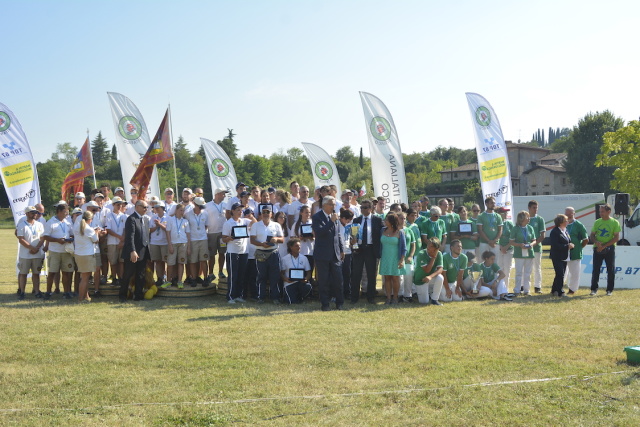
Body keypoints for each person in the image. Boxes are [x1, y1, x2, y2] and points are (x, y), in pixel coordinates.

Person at [311, 196, 344, 311]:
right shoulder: (317, 217)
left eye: (334, 205)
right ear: (324, 205)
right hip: (322, 254)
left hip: (335, 254)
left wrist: (341, 249)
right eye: (331, 204)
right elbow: (319, 232)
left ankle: (339, 303)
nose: (333, 207)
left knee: (338, 280)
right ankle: (325, 304)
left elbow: (338, 234)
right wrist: (331, 221)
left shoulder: (334, 217)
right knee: (323, 281)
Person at [350, 199, 383, 304]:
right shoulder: (356, 220)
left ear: (370, 208)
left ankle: (371, 297)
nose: (362, 210)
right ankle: (354, 297)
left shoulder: (377, 220)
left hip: (371, 249)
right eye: (361, 208)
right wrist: (354, 247)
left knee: (371, 275)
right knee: (356, 274)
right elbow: (353, 236)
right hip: (358, 250)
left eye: (365, 207)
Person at [222, 202, 255, 303]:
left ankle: (240, 295)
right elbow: (223, 239)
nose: (240, 212)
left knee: (242, 275)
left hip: (244, 252)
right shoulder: (228, 223)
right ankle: (231, 296)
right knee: (233, 275)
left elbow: (255, 222)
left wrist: (250, 214)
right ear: (232, 211)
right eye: (238, 210)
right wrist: (229, 238)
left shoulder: (244, 221)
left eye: (241, 210)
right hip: (233, 252)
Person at [119, 200, 151, 302]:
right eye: (144, 207)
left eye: (147, 207)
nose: (146, 209)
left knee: (141, 274)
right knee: (128, 274)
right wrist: (132, 251)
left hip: (143, 251)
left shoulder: (145, 219)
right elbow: (130, 237)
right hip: (132, 253)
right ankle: (122, 295)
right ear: (137, 207)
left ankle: (138, 295)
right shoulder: (131, 219)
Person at [250, 206, 284, 303]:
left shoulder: (276, 225)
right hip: (261, 252)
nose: (265, 214)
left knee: (275, 276)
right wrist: (261, 244)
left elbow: (282, 239)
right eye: (264, 212)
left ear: (271, 214)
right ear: (260, 214)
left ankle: (275, 297)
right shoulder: (256, 225)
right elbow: (252, 240)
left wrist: (276, 239)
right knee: (261, 276)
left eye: (268, 212)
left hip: (273, 253)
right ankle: (261, 297)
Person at [43, 203, 74, 299]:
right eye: (65, 212)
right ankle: (48, 292)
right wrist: (57, 240)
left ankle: (66, 292)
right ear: (59, 212)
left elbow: (72, 234)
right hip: (55, 251)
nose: (67, 213)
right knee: (52, 272)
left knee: (66, 272)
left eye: (67, 211)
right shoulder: (51, 222)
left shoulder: (68, 222)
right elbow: (45, 236)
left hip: (66, 251)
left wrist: (70, 239)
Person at [589, 203, 621, 296]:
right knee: (596, 269)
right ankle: (594, 289)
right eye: (600, 211)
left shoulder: (615, 222)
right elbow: (592, 235)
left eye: (602, 211)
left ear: (609, 212)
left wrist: (605, 246)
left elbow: (616, 238)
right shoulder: (597, 222)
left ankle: (609, 290)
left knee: (610, 269)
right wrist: (596, 242)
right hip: (597, 248)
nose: (600, 213)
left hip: (609, 249)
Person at [16, 206, 46, 300]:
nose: (35, 214)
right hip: (25, 254)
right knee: (23, 273)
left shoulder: (39, 224)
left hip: (37, 253)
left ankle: (37, 291)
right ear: (27, 214)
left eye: (35, 212)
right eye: (32, 212)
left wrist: (37, 248)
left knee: (36, 273)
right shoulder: (22, 225)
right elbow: (21, 239)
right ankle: (22, 292)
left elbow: (42, 238)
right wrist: (31, 248)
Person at [379, 212, 406, 304]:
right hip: (385, 258)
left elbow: (404, 248)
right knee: (387, 278)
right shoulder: (382, 230)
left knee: (395, 278)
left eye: (386, 220)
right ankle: (388, 297)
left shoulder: (400, 232)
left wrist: (402, 260)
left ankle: (395, 297)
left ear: (391, 221)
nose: (385, 221)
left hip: (396, 259)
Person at [74, 211, 100, 302]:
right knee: (85, 278)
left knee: (83, 276)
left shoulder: (77, 227)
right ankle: (80, 298)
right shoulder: (88, 229)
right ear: (90, 219)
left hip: (78, 254)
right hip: (87, 254)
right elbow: (96, 240)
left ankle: (86, 296)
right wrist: (96, 232)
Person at [509, 210, 537, 296]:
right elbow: (511, 242)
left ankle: (526, 290)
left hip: (529, 253)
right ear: (521, 218)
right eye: (527, 217)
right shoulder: (515, 228)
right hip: (519, 253)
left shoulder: (530, 228)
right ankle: (517, 290)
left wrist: (531, 244)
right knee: (518, 272)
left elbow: (534, 240)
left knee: (528, 272)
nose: (529, 219)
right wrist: (519, 245)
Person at [164, 203, 191, 288]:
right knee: (170, 263)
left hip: (183, 244)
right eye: (180, 210)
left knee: (181, 262)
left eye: (183, 211)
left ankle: (180, 281)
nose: (182, 212)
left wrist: (189, 247)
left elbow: (188, 235)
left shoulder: (185, 221)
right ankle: (168, 281)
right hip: (173, 244)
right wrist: (170, 245)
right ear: (176, 210)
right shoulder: (171, 220)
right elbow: (167, 233)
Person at [205, 188, 229, 282]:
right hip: (211, 233)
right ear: (217, 194)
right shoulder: (207, 205)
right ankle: (211, 273)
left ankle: (220, 272)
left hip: (223, 234)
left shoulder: (226, 205)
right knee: (211, 254)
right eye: (223, 194)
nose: (225, 196)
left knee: (222, 253)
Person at [185, 197, 209, 286]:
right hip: (193, 240)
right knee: (193, 260)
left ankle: (205, 278)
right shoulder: (188, 214)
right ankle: (194, 278)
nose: (202, 208)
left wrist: (201, 233)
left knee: (204, 259)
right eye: (200, 206)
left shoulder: (205, 213)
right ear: (195, 204)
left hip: (203, 239)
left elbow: (206, 226)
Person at [564, 207, 589, 295]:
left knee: (574, 273)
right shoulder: (563, 224)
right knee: (562, 272)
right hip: (563, 252)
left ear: (574, 214)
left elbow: (586, 239)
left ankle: (572, 289)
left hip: (575, 252)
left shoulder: (579, 225)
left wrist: (579, 247)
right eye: (566, 214)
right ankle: (559, 288)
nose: (568, 216)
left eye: (570, 214)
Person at [413, 237, 444, 305]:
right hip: (421, 280)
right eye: (428, 245)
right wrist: (433, 257)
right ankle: (426, 294)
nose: (428, 247)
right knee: (424, 302)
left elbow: (440, 269)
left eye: (431, 246)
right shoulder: (421, 253)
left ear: (436, 248)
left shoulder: (439, 254)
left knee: (440, 277)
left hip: (429, 279)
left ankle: (434, 299)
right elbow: (427, 270)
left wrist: (430, 277)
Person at [280, 238, 312, 304]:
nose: (299, 247)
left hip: (301, 283)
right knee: (291, 302)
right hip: (289, 283)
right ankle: (295, 298)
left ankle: (301, 297)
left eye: (299, 246)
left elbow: (309, 273)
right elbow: (281, 273)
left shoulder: (304, 258)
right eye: (296, 246)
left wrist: (306, 279)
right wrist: (286, 279)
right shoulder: (285, 259)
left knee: (308, 286)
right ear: (291, 247)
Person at [105, 196, 127, 288]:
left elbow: (126, 229)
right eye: (117, 204)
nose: (119, 206)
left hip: (122, 242)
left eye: (120, 204)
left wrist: (123, 240)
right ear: (113, 205)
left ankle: (121, 278)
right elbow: (108, 229)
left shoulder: (124, 216)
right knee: (113, 262)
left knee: (121, 261)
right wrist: (119, 237)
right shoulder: (109, 216)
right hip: (112, 242)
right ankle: (114, 278)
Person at [549, 214, 574, 297]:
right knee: (560, 274)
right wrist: (567, 246)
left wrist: (570, 245)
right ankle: (560, 291)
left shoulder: (565, 230)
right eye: (565, 221)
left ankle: (554, 290)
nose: (567, 222)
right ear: (560, 222)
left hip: (565, 255)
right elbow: (555, 245)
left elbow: (567, 241)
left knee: (560, 274)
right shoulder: (554, 232)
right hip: (557, 256)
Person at [149, 201, 169, 287]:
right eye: (155, 207)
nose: (156, 209)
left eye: (158, 207)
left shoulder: (168, 217)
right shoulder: (153, 217)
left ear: (163, 208)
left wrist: (159, 224)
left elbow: (168, 230)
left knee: (165, 261)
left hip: (164, 242)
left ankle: (166, 278)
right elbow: (150, 230)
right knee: (157, 261)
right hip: (154, 242)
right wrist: (156, 226)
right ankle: (159, 278)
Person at [528, 200, 546, 293]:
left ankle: (537, 287)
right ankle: (525, 286)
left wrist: (534, 243)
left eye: (536, 208)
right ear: (529, 208)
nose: (536, 210)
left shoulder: (540, 219)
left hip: (536, 248)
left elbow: (543, 235)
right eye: (534, 208)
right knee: (526, 268)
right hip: (526, 248)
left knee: (537, 267)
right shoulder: (525, 218)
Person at [398, 211, 416, 302]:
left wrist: (410, 256)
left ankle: (408, 295)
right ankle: (400, 295)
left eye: (404, 218)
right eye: (401, 218)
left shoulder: (409, 230)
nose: (403, 220)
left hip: (408, 259)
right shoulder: (395, 231)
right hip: (398, 259)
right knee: (400, 277)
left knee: (409, 276)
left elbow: (413, 245)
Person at [496, 207, 514, 291]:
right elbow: (495, 236)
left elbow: (513, 237)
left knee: (507, 269)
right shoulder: (496, 223)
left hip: (509, 249)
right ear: (499, 214)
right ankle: (499, 288)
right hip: (498, 249)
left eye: (506, 213)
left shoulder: (509, 223)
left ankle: (505, 288)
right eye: (504, 213)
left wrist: (506, 247)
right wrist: (500, 247)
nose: (506, 214)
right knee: (499, 268)